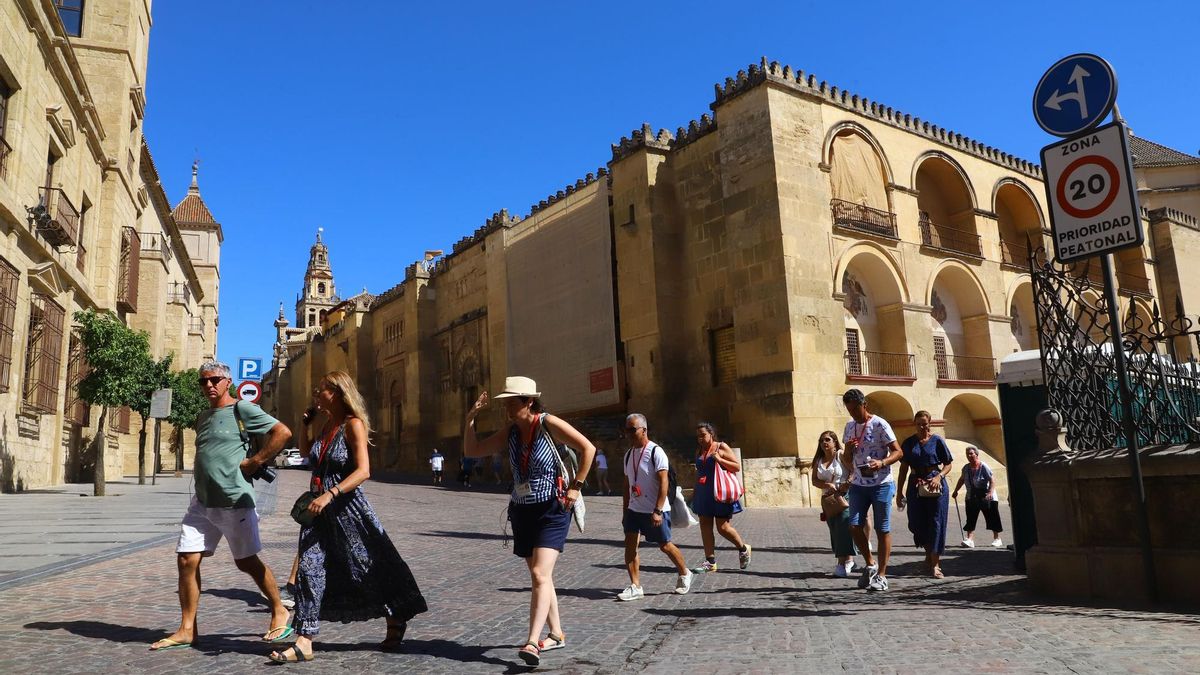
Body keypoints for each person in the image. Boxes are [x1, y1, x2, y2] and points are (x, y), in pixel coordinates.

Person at [270, 371, 428, 663]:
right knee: (309, 568)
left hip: (347, 510)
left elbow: (364, 471)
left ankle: (395, 614)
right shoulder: (326, 425)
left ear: (339, 393)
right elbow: (308, 456)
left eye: (322, 390)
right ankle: (304, 640)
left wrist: (332, 493)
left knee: (370, 566)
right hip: (318, 513)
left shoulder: (352, 425)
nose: (317, 395)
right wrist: (305, 426)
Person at [150, 361, 292, 651]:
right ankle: (187, 629)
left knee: (246, 562)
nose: (209, 386)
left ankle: (279, 609)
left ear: (228, 382)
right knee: (187, 560)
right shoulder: (203, 416)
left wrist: (256, 460)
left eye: (215, 380)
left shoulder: (243, 410)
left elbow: (283, 432)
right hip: (202, 502)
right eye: (203, 382)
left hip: (234, 501)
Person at [462, 376, 595, 668]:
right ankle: (557, 633)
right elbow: (473, 451)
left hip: (553, 509)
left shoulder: (548, 423)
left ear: (528, 402)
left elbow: (589, 449)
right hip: (522, 511)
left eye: (512, 401)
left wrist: (577, 486)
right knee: (542, 577)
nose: (507, 407)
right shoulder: (510, 431)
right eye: (506, 402)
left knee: (538, 573)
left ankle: (532, 642)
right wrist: (471, 419)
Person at [616, 414, 693, 601]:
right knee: (630, 545)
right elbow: (627, 485)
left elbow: (664, 482)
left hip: (655, 510)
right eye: (627, 430)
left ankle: (684, 573)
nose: (629, 434)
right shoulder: (628, 455)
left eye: (632, 430)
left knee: (665, 545)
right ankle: (635, 586)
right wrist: (625, 511)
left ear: (644, 430)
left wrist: (658, 510)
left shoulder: (655, 452)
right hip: (635, 509)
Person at [841, 388, 903, 592]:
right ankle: (870, 563)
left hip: (881, 483)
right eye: (849, 411)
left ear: (864, 405)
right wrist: (848, 451)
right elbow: (847, 460)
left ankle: (882, 576)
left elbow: (898, 451)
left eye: (855, 409)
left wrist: (882, 462)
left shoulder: (880, 424)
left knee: (881, 528)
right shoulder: (849, 427)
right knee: (853, 525)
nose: (853, 414)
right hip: (859, 483)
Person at [896, 411, 953, 578]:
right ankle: (928, 555)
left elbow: (948, 464)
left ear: (930, 424)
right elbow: (903, 468)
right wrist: (899, 492)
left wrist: (939, 476)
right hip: (915, 484)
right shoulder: (908, 443)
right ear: (915, 424)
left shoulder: (937, 441)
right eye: (919, 423)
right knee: (916, 522)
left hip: (935, 485)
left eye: (925, 423)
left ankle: (935, 564)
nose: (922, 426)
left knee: (936, 522)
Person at [690, 422, 751, 573]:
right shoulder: (700, 450)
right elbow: (699, 472)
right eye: (698, 436)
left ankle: (743, 548)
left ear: (711, 434)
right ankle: (710, 562)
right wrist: (694, 491)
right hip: (703, 493)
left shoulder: (721, 447)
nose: (700, 439)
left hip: (719, 492)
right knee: (705, 525)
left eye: (703, 435)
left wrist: (720, 459)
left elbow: (736, 467)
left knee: (723, 527)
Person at [811, 430, 863, 578]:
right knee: (834, 529)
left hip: (843, 496)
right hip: (828, 500)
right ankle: (849, 559)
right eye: (821, 441)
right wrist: (826, 484)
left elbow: (854, 471)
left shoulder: (840, 455)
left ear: (834, 442)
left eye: (827, 440)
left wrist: (847, 483)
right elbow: (814, 480)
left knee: (843, 527)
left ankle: (841, 564)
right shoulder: (819, 460)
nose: (824, 443)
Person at [952, 446, 1004, 548]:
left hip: (987, 496)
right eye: (967, 454)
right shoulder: (966, 468)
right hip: (971, 496)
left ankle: (997, 538)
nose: (969, 456)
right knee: (971, 517)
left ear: (976, 454)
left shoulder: (983, 466)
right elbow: (962, 479)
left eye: (971, 453)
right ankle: (970, 539)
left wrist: (990, 492)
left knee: (992, 517)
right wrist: (956, 491)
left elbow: (992, 480)